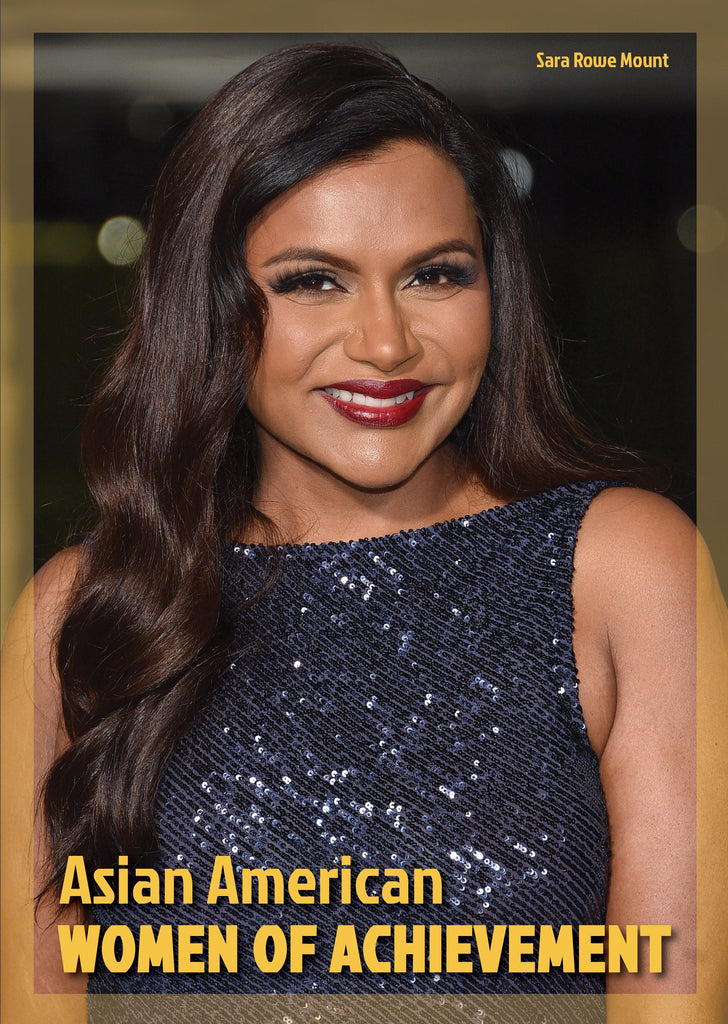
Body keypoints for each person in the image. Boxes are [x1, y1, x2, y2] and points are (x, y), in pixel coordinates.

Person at [10, 40, 727, 1014]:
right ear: (211, 304)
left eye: (435, 275)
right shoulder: (82, 609)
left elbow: (674, 992)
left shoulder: (619, 568)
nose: (385, 343)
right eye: (313, 280)